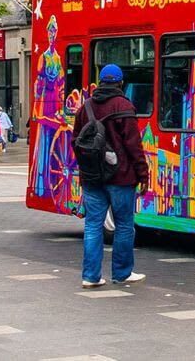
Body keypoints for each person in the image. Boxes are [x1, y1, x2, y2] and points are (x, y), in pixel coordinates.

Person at [74, 63, 148, 288]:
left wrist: (85, 168)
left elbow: (75, 141)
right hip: (121, 177)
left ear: (101, 81)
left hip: (92, 177)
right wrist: (143, 174)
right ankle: (122, 273)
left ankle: (91, 276)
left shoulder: (85, 107)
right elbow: (134, 145)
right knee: (125, 224)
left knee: (93, 225)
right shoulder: (123, 105)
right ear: (120, 82)